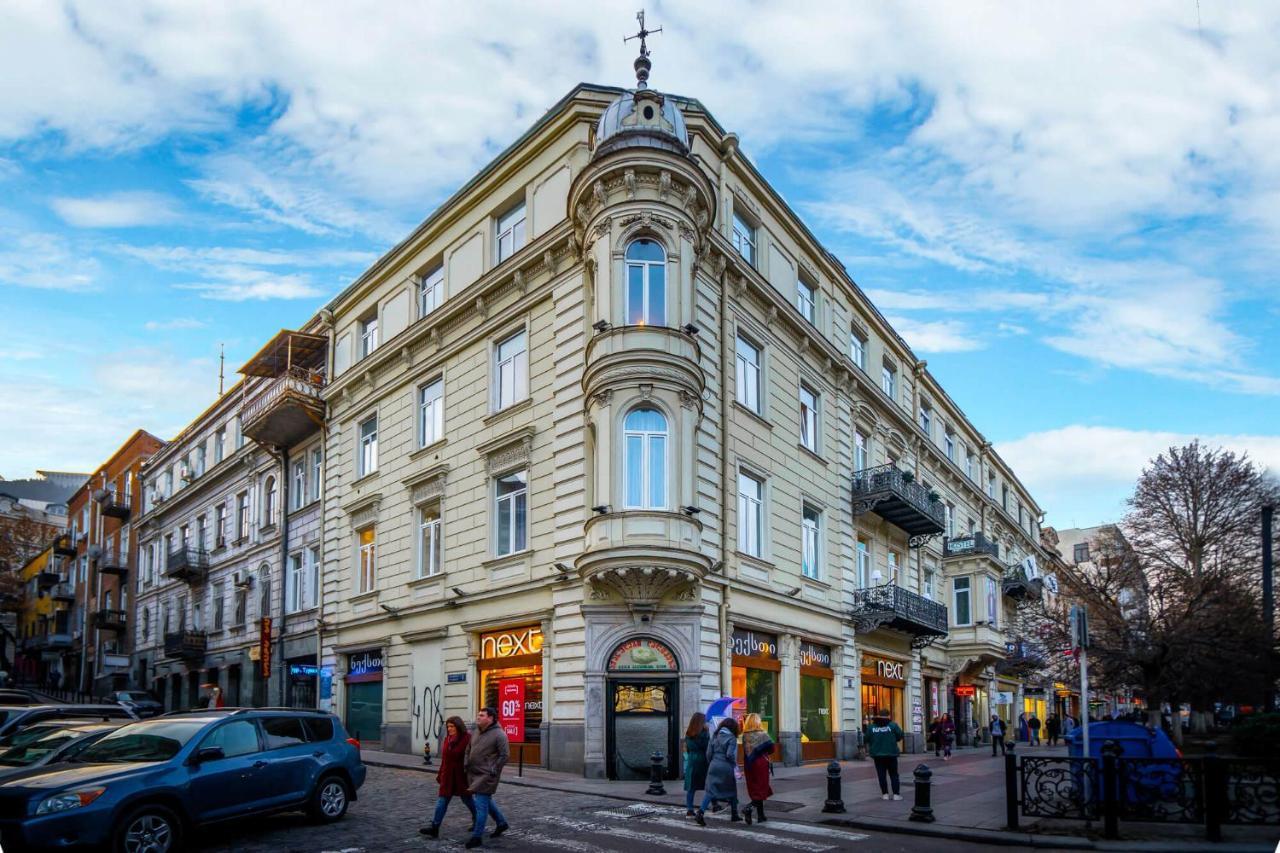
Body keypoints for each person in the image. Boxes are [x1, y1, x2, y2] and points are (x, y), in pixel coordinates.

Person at [420, 716, 476, 838]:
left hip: (461, 776)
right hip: (448, 776)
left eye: (452, 726)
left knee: (467, 799)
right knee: (442, 801)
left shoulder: (467, 739)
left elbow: (472, 758)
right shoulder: (447, 739)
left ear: (458, 726)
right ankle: (435, 827)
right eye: (448, 726)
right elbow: (445, 759)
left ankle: (477, 818)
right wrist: (440, 774)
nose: (449, 729)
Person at [463, 706, 510, 849]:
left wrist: (493, 769)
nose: (478, 717)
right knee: (486, 802)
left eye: (482, 715)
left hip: (487, 776)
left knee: (481, 806)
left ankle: (477, 836)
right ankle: (501, 823)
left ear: (491, 718)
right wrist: (466, 762)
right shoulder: (476, 731)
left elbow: (505, 755)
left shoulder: (499, 734)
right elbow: (468, 749)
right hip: (473, 773)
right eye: (478, 714)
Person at [696, 717, 741, 825]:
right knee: (732, 790)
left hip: (714, 765)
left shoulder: (714, 736)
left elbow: (708, 754)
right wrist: (734, 764)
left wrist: (712, 762)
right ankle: (734, 814)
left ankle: (700, 812)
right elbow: (730, 754)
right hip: (726, 767)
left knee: (710, 791)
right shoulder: (732, 738)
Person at [740, 713, 774, 825]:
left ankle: (761, 816)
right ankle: (748, 808)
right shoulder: (762, 734)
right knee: (761, 788)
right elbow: (772, 748)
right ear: (757, 722)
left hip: (749, 765)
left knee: (755, 789)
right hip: (760, 764)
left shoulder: (745, 735)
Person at [866, 713, 904, 800]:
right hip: (891, 754)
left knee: (881, 775)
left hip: (878, 755)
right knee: (894, 774)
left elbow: (867, 738)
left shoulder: (872, 727)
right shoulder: (893, 725)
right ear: (888, 716)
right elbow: (900, 735)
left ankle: (885, 794)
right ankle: (896, 794)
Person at [683, 712, 710, 818]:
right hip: (702, 760)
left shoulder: (688, 733)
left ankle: (689, 809)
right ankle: (709, 806)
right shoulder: (704, 733)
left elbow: (688, 749)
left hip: (691, 760)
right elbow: (707, 748)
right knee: (709, 786)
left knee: (691, 787)